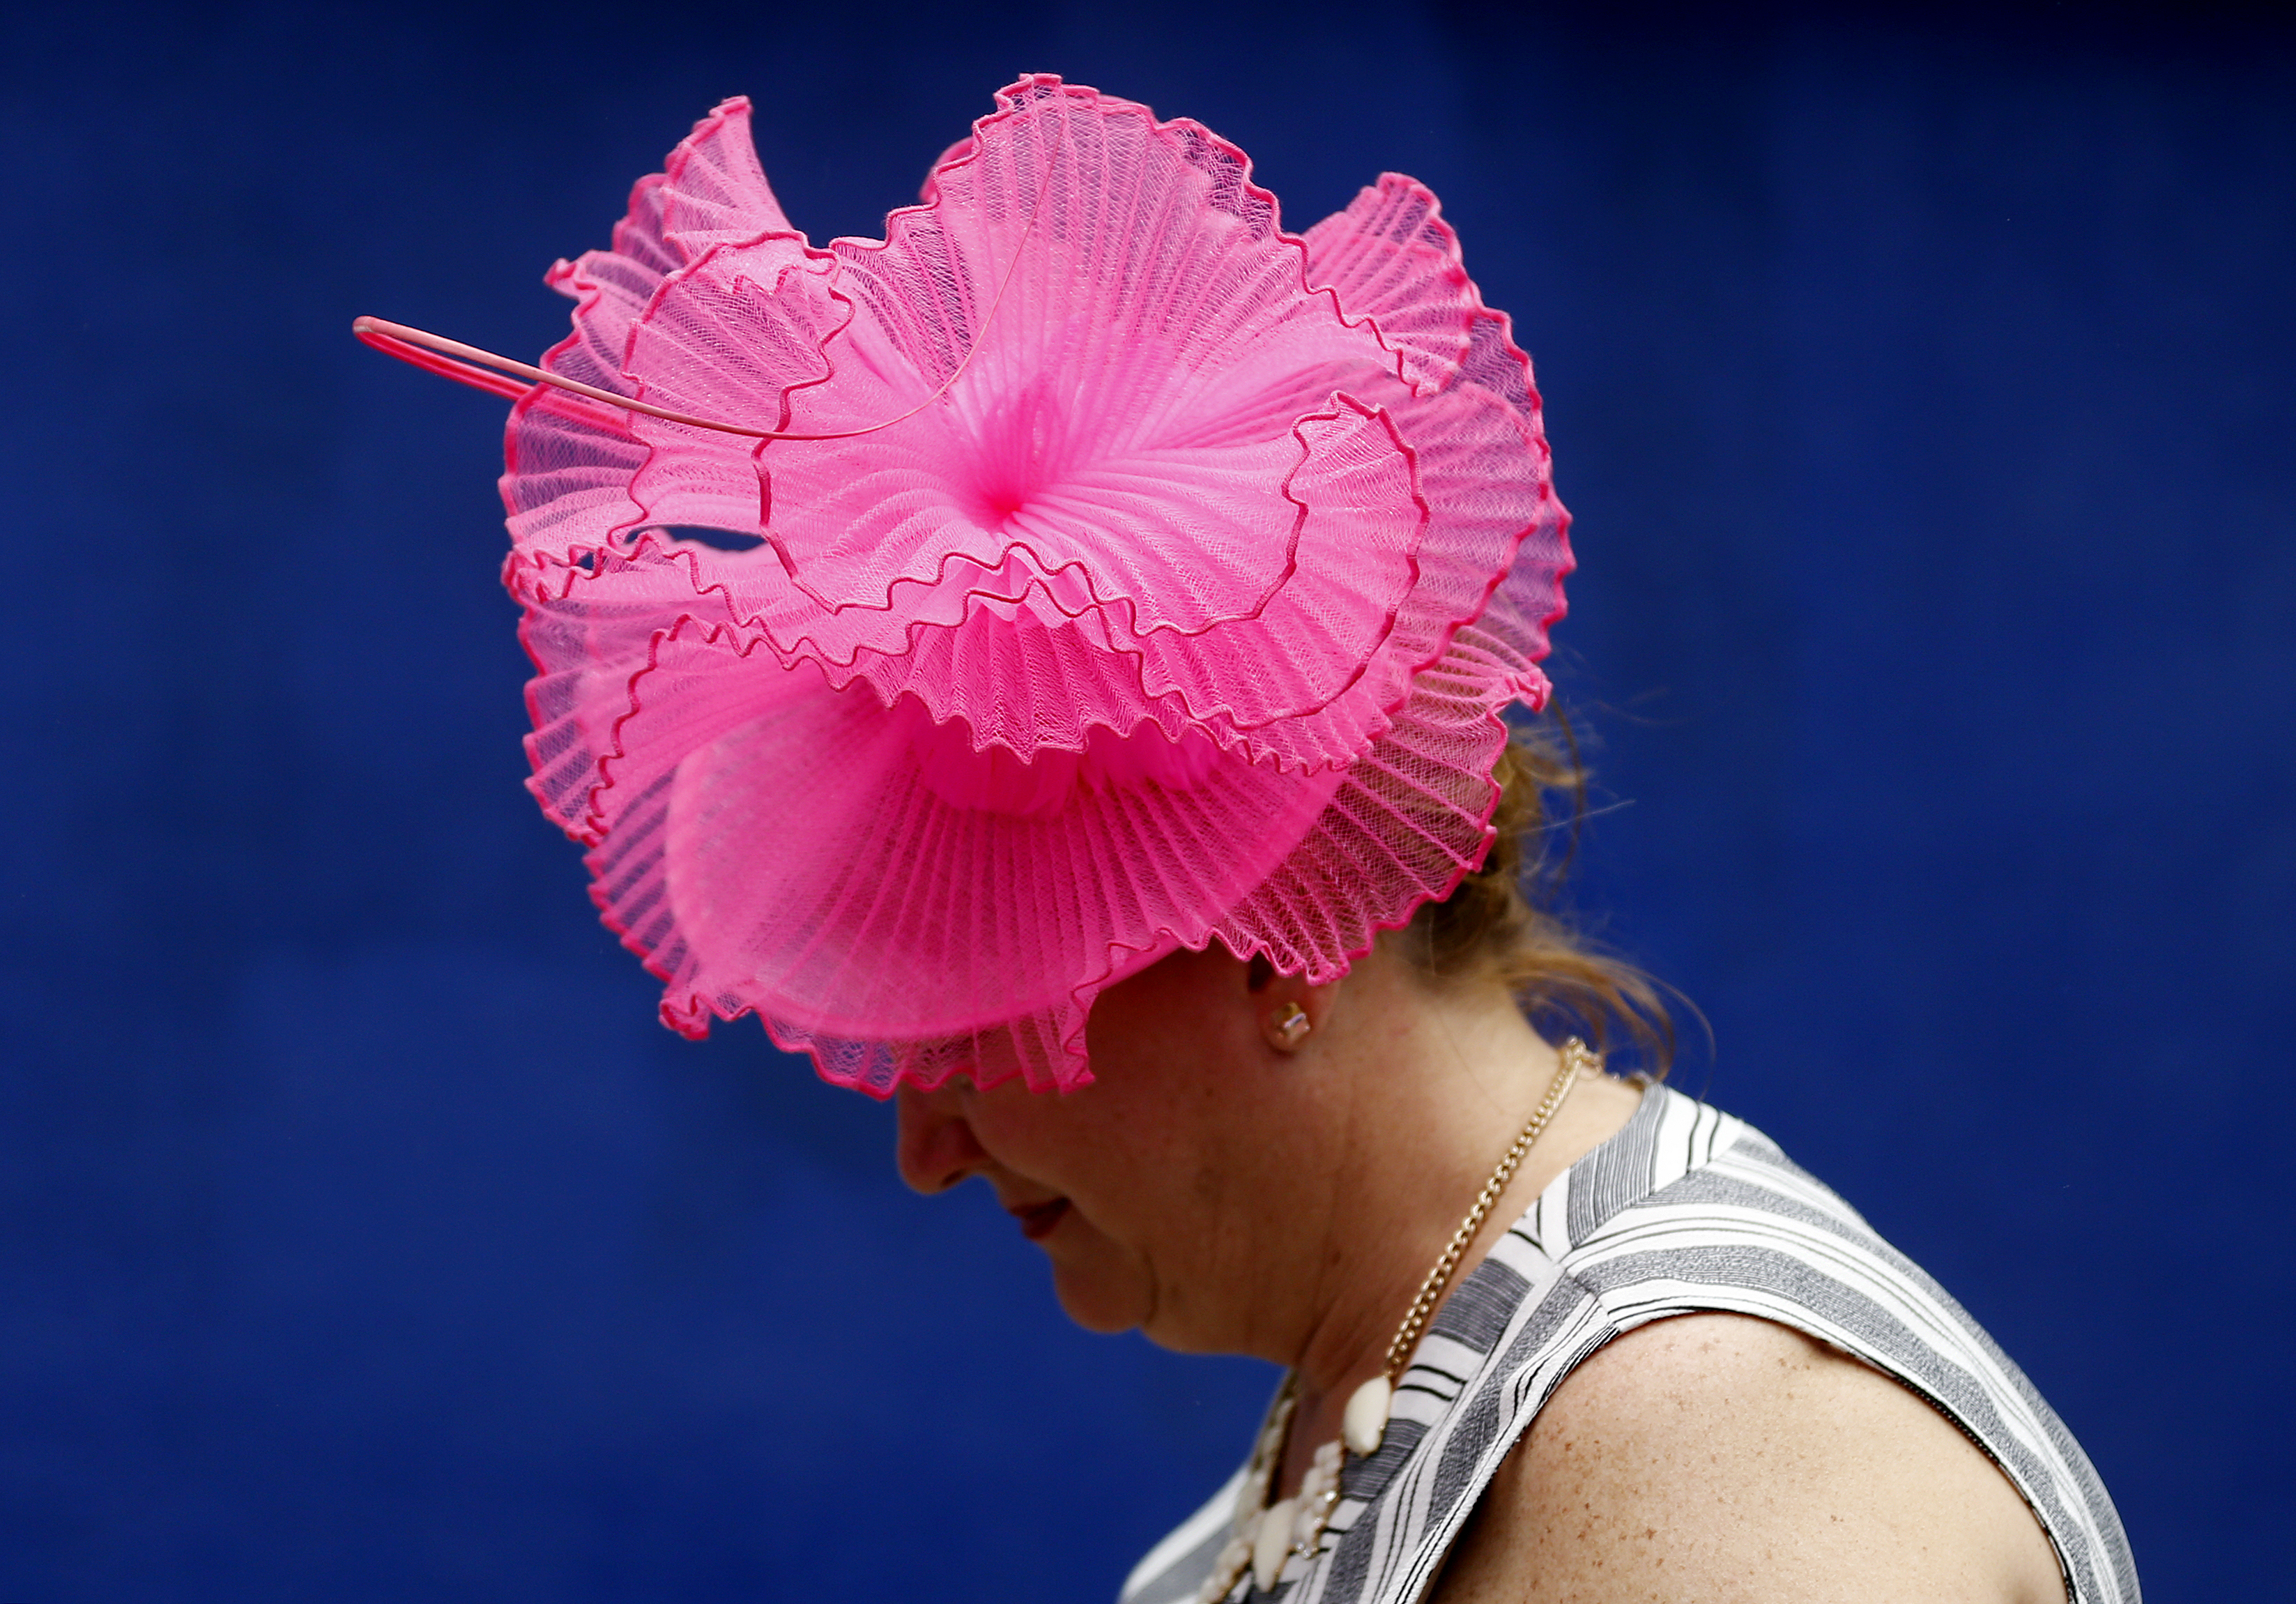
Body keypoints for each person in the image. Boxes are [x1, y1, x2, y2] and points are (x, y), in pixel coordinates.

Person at [364, 75, 2137, 1603]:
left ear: (1273, 928)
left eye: (974, 1014)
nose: (922, 1144)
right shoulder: (1401, 1377)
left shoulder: (1723, 1443)